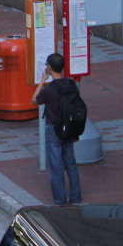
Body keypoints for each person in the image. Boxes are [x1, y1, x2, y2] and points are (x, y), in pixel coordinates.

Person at [32, 53, 82, 205]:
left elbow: (34, 100)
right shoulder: (72, 85)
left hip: (54, 129)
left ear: (49, 67)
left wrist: (42, 80)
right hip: (69, 128)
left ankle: (60, 200)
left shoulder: (49, 91)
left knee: (56, 167)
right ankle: (75, 197)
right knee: (71, 164)